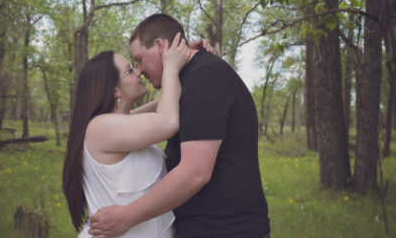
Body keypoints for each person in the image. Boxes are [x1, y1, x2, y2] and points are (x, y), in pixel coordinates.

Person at [88, 13, 271, 238]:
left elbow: (195, 172)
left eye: (139, 59)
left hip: (227, 231)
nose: (140, 70)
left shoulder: (205, 76)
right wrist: (179, 61)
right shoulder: (191, 79)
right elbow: (136, 119)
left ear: (159, 46)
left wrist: (127, 216)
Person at [62, 33, 190, 237]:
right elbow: (168, 121)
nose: (139, 71)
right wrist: (171, 67)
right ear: (115, 90)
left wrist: (188, 54)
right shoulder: (100, 128)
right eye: (130, 70)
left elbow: (168, 103)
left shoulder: (121, 123)